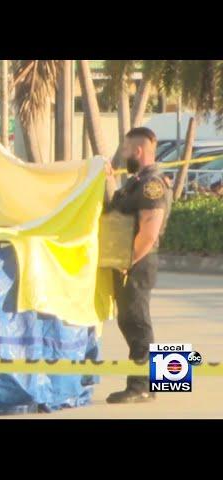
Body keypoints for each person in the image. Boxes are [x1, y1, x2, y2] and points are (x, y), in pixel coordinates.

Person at [104, 127, 173, 403]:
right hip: (131, 259)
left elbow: (149, 231)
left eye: (125, 149)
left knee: (136, 320)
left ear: (138, 151)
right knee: (134, 319)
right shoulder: (138, 181)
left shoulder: (151, 184)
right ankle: (166, 382)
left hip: (138, 260)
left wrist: (128, 262)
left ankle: (141, 385)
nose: (123, 154)